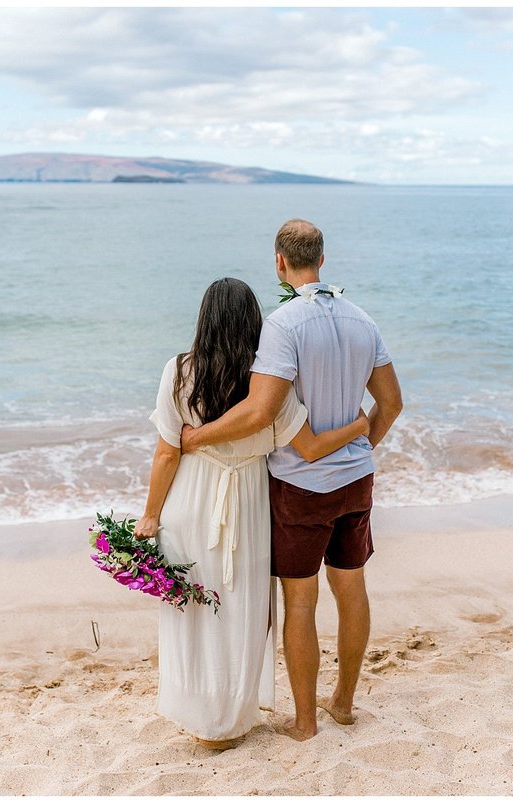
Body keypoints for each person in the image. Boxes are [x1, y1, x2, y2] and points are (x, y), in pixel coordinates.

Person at [181, 219, 403, 741]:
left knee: (301, 602)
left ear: (279, 262)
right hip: (356, 480)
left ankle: (306, 722)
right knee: (352, 588)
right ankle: (344, 704)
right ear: (321, 260)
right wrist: (359, 448)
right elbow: (391, 403)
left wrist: (198, 437)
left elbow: (260, 412)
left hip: (302, 486)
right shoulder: (362, 320)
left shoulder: (284, 324)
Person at [132, 277, 370, 750]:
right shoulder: (270, 385)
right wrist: (360, 425)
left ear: (204, 320)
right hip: (248, 503)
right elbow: (313, 446)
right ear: (253, 325)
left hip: (190, 499)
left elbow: (166, 454)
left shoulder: (178, 371)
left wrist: (151, 514)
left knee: (194, 606)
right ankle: (234, 716)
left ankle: (201, 716)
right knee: (242, 609)